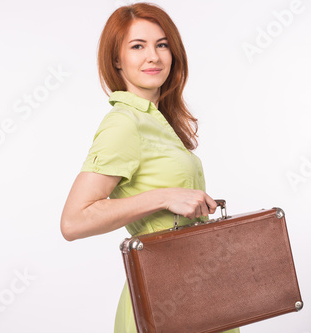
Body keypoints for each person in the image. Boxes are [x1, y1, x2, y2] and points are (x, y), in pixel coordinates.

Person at [60, 3, 239, 332]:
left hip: (200, 288)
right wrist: (163, 197)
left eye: (162, 44)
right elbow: (73, 221)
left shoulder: (157, 122)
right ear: (117, 60)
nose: (153, 57)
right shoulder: (124, 124)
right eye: (137, 46)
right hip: (164, 297)